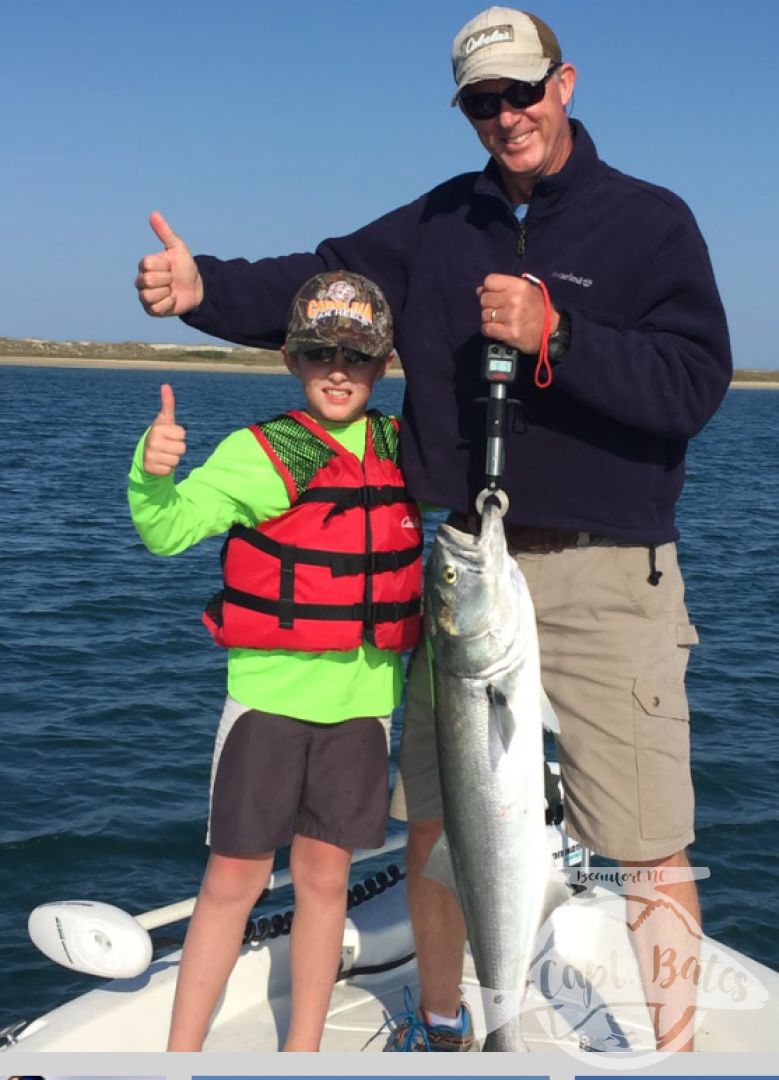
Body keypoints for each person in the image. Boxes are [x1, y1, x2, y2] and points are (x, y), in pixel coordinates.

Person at [134, 6, 732, 1053]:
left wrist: (560, 335)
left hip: (602, 573)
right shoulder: (434, 223)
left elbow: (691, 385)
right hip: (459, 574)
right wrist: (201, 291)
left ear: (565, 84)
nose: (505, 117)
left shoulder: (651, 224)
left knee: (647, 846)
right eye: (481, 102)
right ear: (465, 112)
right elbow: (319, 280)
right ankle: (452, 1024)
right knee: (435, 819)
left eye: (521, 92)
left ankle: (674, 1055)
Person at [127, 270, 423, 1051]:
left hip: (362, 710)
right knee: (232, 884)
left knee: (326, 885)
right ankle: (180, 1056)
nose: (337, 369)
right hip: (266, 705)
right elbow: (167, 531)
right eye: (320, 352)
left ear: (383, 366)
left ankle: (302, 1057)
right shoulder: (262, 452)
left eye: (356, 357)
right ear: (291, 361)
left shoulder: (403, 451)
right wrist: (151, 475)